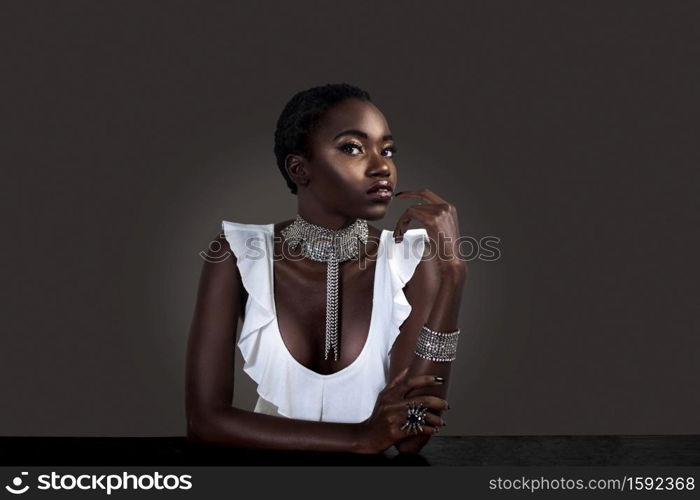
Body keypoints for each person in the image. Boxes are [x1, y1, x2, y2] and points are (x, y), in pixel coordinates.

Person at [185, 83, 467, 455]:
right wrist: (359, 439)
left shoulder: (411, 261)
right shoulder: (238, 254)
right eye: (352, 147)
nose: (382, 166)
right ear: (299, 168)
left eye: (387, 150)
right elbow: (204, 422)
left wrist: (454, 277)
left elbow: (412, 437)